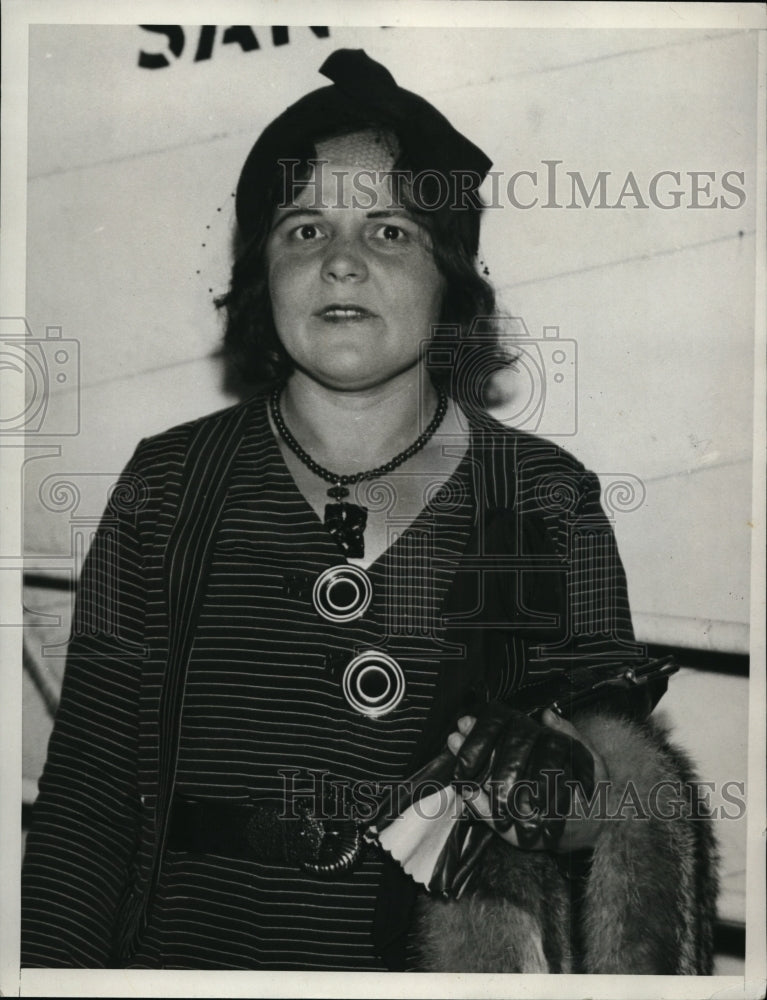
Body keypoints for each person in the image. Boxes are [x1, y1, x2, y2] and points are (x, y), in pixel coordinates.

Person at [21, 48, 718, 973]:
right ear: (261, 272)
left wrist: (569, 795)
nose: (342, 261)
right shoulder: (168, 483)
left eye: (389, 231)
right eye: (304, 228)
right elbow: (85, 806)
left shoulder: (545, 498)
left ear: (450, 274)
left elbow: (625, 825)